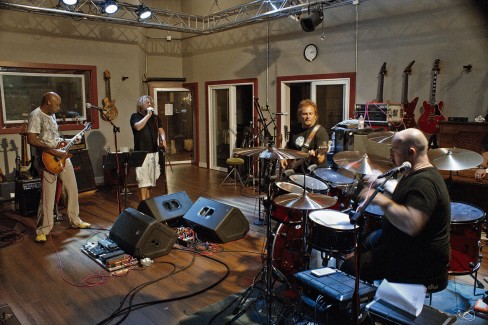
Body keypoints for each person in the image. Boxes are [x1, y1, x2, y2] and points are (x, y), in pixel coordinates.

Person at [341, 128, 451, 287]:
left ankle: (365, 303)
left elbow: (411, 224)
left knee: (350, 267)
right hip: (404, 244)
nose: (391, 155)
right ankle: (369, 291)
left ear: (411, 152)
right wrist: (381, 183)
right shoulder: (414, 173)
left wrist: (381, 200)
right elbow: (406, 196)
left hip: (419, 260)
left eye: (395, 151)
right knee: (361, 244)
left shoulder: (425, 182)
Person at [27, 92, 91, 243]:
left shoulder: (52, 115)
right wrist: (53, 151)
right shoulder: (35, 115)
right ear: (48, 102)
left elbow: (54, 138)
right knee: (48, 196)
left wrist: (68, 140)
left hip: (60, 156)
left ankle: (75, 220)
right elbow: (31, 139)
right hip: (47, 159)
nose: (59, 107)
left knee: (72, 188)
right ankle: (43, 230)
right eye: (57, 104)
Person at [130, 95, 167, 201]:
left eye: (150, 103)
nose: (149, 104)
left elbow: (161, 131)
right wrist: (148, 115)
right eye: (147, 102)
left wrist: (163, 139)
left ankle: (148, 200)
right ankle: (143, 203)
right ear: (141, 105)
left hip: (154, 151)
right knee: (143, 179)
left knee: (151, 179)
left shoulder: (156, 118)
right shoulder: (135, 116)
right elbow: (138, 127)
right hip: (141, 152)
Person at [282, 99, 329, 170]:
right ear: (299, 115)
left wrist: (315, 158)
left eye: (311, 113)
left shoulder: (320, 132)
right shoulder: (295, 129)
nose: (308, 117)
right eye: (305, 114)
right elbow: (289, 147)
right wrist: (283, 157)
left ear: (315, 116)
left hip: (314, 175)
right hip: (296, 173)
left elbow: (321, 160)